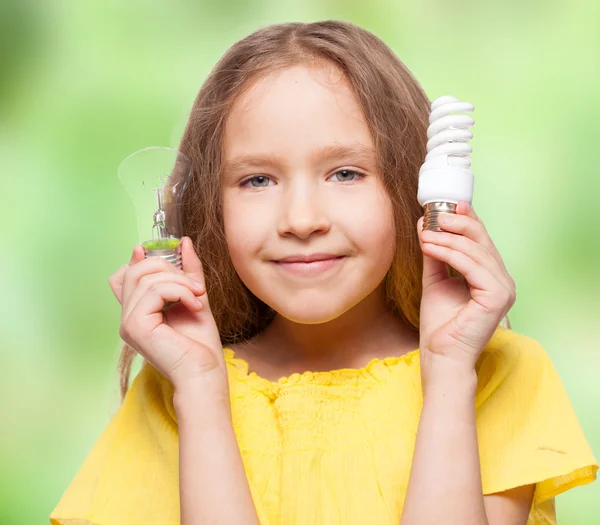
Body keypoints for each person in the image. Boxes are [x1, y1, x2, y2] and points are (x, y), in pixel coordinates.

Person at [49, 20, 598, 525]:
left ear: (413, 185)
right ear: (210, 209)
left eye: (345, 172)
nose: (302, 220)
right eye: (258, 180)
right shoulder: (175, 389)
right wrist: (199, 392)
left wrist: (450, 372)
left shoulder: (497, 373)